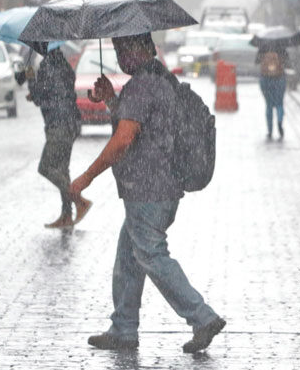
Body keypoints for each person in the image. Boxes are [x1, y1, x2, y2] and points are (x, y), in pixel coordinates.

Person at [71, 33, 225, 353]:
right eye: (117, 50)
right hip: (161, 186)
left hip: (147, 189)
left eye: (125, 48)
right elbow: (148, 124)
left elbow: (125, 138)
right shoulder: (157, 79)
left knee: (152, 255)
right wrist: (112, 99)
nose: (121, 56)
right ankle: (123, 328)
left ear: (144, 48)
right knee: (130, 255)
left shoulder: (143, 84)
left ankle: (201, 316)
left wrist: (86, 177)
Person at [27, 47, 91, 228]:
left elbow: (40, 96)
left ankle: (79, 200)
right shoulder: (64, 65)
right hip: (71, 122)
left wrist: (30, 78)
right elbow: (56, 93)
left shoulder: (47, 66)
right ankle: (66, 215)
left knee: (46, 167)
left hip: (58, 124)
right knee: (62, 169)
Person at [256, 45, 288, 140]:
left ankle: (270, 130)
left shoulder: (263, 47)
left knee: (269, 105)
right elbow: (287, 62)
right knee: (279, 104)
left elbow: (257, 61)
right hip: (279, 79)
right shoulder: (281, 47)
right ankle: (279, 121)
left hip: (266, 79)